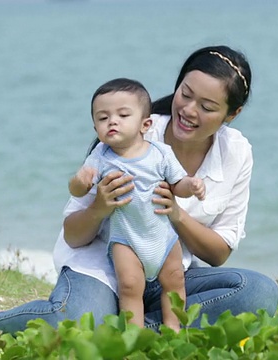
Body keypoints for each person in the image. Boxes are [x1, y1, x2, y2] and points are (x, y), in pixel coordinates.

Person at [0, 45, 278, 335]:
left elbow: (219, 253)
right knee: (73, 320)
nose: (188, 111)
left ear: (231, 115)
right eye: (186, 95)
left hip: (168, 274)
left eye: (206, 107)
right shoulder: (128, 135)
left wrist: (176, 215)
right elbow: (73, 236)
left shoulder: (236, 152)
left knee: (258, 293)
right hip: (102, 270)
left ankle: (131, 329)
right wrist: (100, 206)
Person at [68, 78, 206, 331]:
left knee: (174, 281)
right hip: (126, 237)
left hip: (162, 235)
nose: (112, 121)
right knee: (129, 285)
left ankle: (175, 330)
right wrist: (80, 181)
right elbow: (78, 191)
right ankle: (135, 334)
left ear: (145, 124)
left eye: (122, 115)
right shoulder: (100, 156)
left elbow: (178, 185)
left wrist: (192, 186)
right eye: (102, 118)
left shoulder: (160, 153)